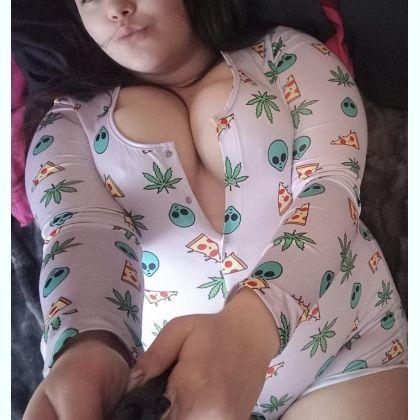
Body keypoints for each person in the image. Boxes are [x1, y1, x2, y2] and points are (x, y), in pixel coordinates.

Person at [22, 1, 407, 419]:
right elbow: (80, 230)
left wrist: (253, 325)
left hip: (348, 350)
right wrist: (87, 343)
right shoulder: (67, 125)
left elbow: (330, 187)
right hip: (176, 392)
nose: (116, 8)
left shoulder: (289, 54)